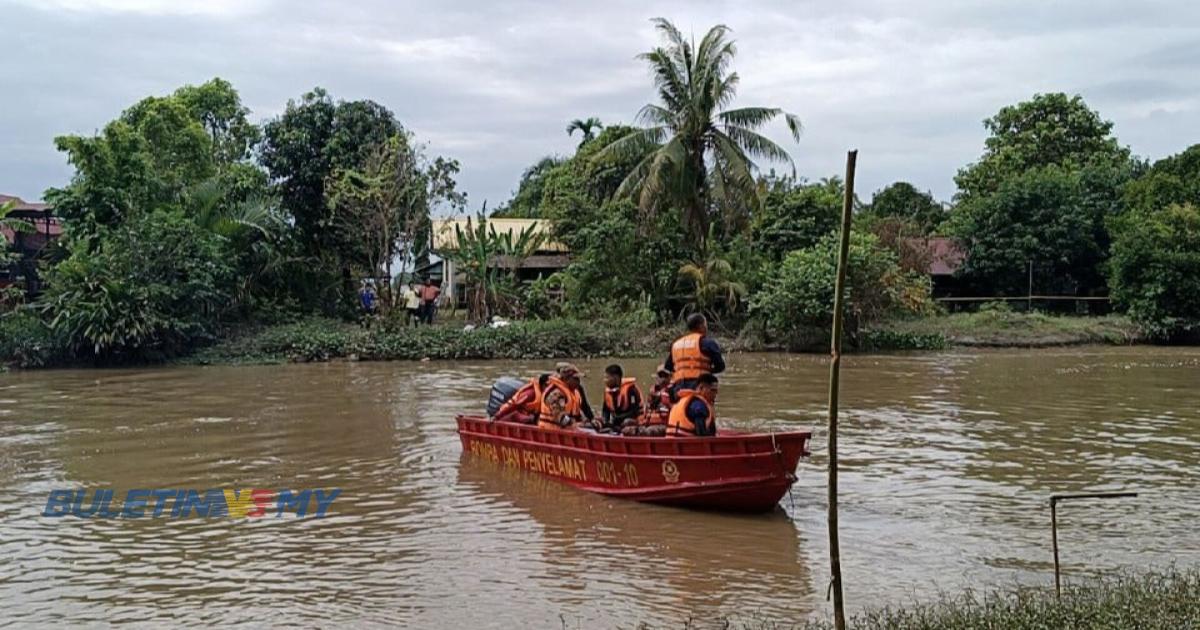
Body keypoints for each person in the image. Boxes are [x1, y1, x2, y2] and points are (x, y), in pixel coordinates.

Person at [664, 313, 725, 399]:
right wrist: (707, 370)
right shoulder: (708, 343)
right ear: (701, 326)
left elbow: (668, 367)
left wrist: (683, 370)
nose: (706, 328)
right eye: (705, 324)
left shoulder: (676, 344)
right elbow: (721, 366)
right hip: (699, 388)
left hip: (678, 390)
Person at [622, 364, 672, 436]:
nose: (663, 379)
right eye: (661, 375)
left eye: (665, 376)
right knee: (627, 423)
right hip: (648, 422)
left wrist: (663, 400)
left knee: (648, 431)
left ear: (670, 377)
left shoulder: (673, 391)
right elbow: (646, 412)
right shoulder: (653, 392)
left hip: (664, 425)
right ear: (657, 377)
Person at [601, 364, 643, 434]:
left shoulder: (631, 390)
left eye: (607, 378)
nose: (605, 380)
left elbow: (634, 411)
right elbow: (605, 411)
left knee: (627, 422)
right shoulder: (608, 392)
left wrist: (617, 418)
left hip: (633, 420)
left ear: (616, 378)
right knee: (599, 422)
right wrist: (605, 421)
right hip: (617, 421)